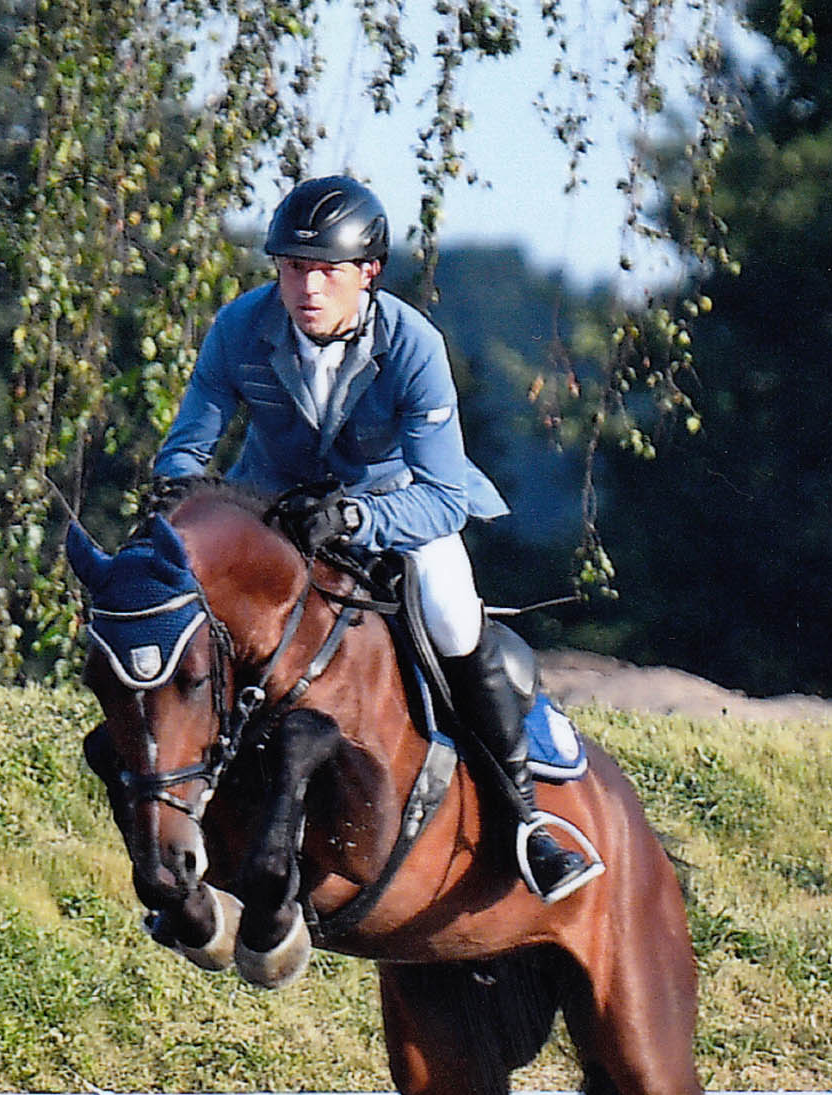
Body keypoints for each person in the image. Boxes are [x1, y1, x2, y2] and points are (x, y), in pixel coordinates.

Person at [150, 175, 602, 903]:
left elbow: (444, 495)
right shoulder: (239, 327)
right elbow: (185, 448)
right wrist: (182, 501)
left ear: (369, 272)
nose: (307, 286)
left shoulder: (413, 345)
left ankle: (525, 820)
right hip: (274, 511)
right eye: (293, 266)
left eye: (327, 269)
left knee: (454, 615)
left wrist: (359, 519)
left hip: (398, 509)